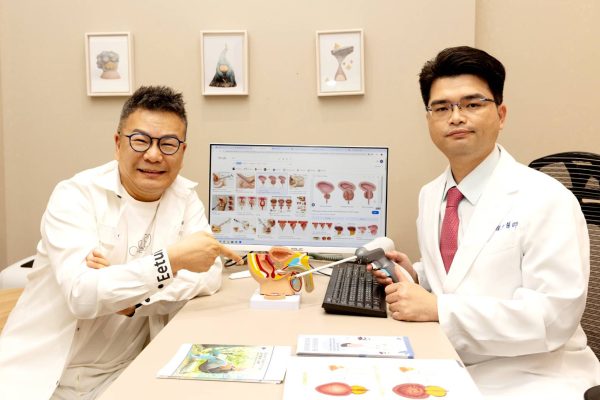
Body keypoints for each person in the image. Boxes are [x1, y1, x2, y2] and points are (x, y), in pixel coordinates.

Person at [371, 46, 600, 399]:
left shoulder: (546, 198)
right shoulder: (431, 195)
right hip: (449, 359)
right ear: (429, 119)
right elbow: (462, 275)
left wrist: (438, 309)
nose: (456, 117)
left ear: (501, 114)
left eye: (472, 104)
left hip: (533, 375)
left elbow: (552, 318)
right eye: (441, 108)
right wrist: (418, 276)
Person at [0, 85, 242, 400]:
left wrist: (132, 301)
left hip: (122, 375)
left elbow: (209, 274)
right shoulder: (75, 196)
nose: (153, 155)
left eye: (168, 144)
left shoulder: (185, 199)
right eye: (140, 140)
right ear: (118, 144)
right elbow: (82, 296)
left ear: (182, 152)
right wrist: (172, 261)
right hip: (42, 379)